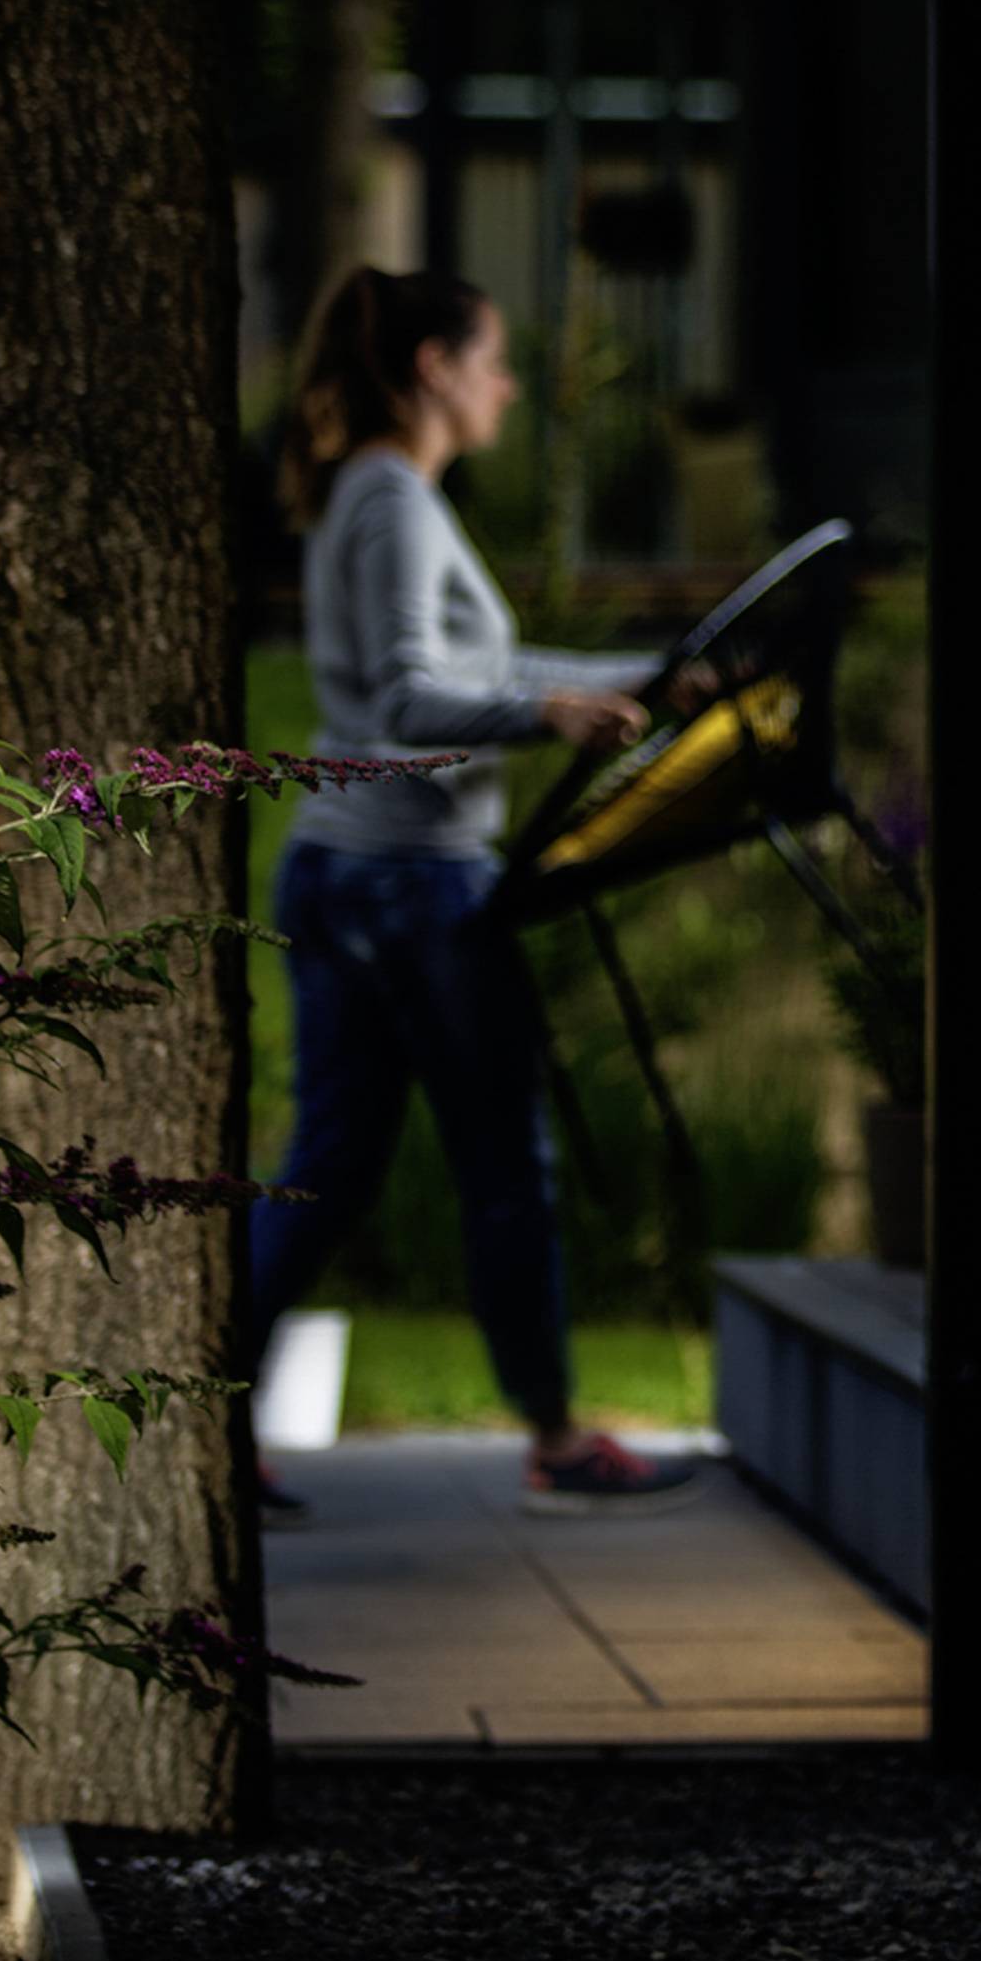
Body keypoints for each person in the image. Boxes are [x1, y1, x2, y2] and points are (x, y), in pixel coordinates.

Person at [251, 265, 697, 1516]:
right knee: (503, 1161)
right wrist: (550, 715)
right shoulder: (395, 497)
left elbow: (479, 665)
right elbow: (412, 698)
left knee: (329, 1163)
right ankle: (557, 1440)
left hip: (342, 867)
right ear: (434, 368)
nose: (506, 386)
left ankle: (204, 1412)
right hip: (412, 880)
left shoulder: (373, 491)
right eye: (492, 361)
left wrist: (649, 678)